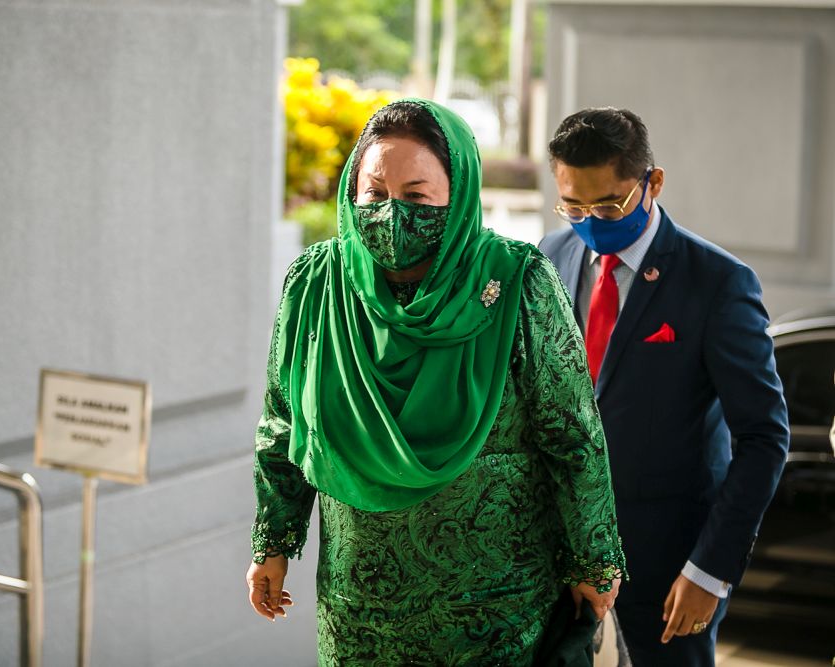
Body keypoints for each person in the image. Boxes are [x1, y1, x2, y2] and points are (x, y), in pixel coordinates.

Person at [245, 99, 627, 665]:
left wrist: (593, 560)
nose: (392, 214)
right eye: (374, 194)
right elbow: (282, 423)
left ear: (459, 192)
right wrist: (273, 542)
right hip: (358, 612)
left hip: (496, 613)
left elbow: (572, 436)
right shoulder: (317, 284)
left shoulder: (517, 282)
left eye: (417, 196)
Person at [539, 107, 790, 666]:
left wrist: (710, 571)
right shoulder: (548, 259)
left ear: (653, 181)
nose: (591, 221)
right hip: (556, 563)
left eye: (609, 204)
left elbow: (764, 438)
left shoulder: (718, 283)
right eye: (574, 206)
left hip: (667, 569)